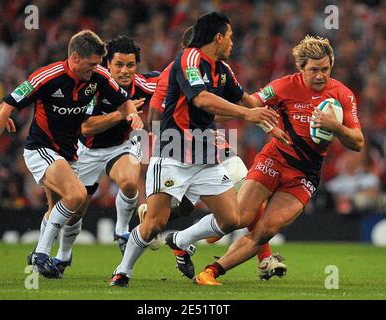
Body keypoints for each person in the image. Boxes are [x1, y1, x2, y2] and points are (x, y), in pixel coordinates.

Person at [109, 12, 284, 287]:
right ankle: (122, 270)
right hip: (174, 153)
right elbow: (201, 99)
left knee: (232, 219)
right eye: (230, 37)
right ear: (218, 37)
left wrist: (269, 125)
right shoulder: (188, 60)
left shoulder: (222, 69)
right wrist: (154, 146)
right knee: (155, 222)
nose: (232, 43)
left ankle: (180, 239)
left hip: (205, 156)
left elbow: (245, 99)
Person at [194, 35, 365, 285]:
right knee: (238, 218)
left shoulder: (342, 94)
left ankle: (210, 272)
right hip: (274, 159)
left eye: (325, 69)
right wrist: (205, 118)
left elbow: (358, 142)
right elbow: (250, 105)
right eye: (314, 70)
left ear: (332, 65)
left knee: (265, 231)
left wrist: (335, 127)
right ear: (301, 68)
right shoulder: (284, 86)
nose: (320, 76)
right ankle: (214, 221)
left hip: (305, 176)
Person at [0, 30, 143, 279]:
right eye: (91, 64)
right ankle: (41, 253)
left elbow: (125, 100)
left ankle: (54, 256)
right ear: (76, 58)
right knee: (76, 194)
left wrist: (131, 114)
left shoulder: (98, 76)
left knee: (71, 208)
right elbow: (7, 106)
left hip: (70, 153)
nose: (95, 69)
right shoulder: (47, 77)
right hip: (42, 149)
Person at [49, 35, 159, 275]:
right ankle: (63, 256)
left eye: (130, 65)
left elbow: (173, 81)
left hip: (122, 146)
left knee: (131, 182)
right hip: (86, 151)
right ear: (107, 64)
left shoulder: (145, 85)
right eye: (118, 64)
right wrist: (121, 114)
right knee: (76, 209)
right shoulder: (93, 85)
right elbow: (86, 127)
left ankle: (121, 231)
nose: (125, 70)